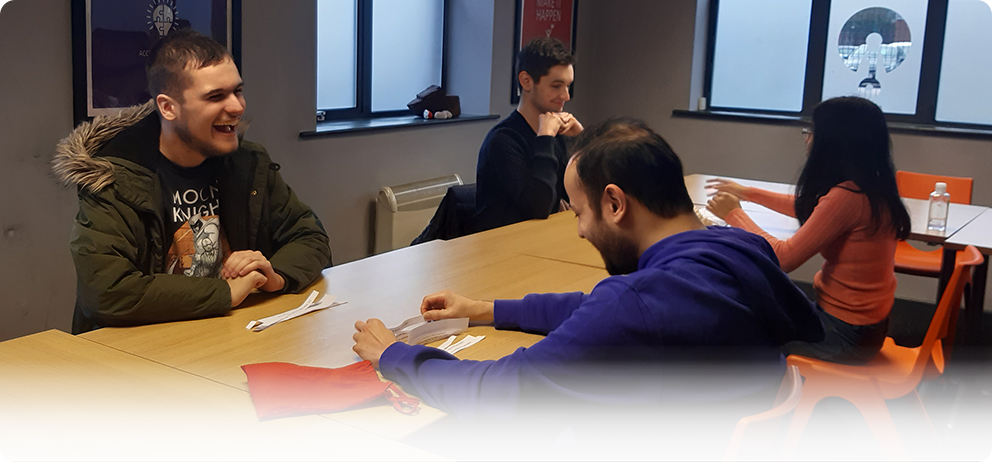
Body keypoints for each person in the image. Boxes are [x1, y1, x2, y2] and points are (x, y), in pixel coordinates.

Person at [353, 118, 824, 461]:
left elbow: (493, 390)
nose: (579, 231)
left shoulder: (638, 310)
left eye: (579, 212)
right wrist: (486, 309)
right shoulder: (735, 252)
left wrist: (394, 354)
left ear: (615, 203)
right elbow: (595, 310)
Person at [54, 29, 332, 334]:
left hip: (226, 334)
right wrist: (225, 293)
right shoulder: (114, 177)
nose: (238, 107)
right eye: (216, 96)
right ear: (168, 107)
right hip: (138, 349)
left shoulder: (248, 163)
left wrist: (274, 275)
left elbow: (311, 238)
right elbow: (105, 293)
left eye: (237, 91)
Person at [706, 96, 910, 366]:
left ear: (834, 141)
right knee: (764, 306)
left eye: (812, 132)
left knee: (746, 330)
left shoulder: (847, 197)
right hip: (867, 328)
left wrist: (734, 214)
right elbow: (814, 210)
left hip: (845, 334)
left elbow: (783, 258)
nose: (807, 139)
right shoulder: (873, 188)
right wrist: (748, 193)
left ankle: (774, 404)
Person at [470, 37, 584, 234]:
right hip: (501, 246)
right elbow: (539, 207)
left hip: (540, 240)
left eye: (568, 85)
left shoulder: (557, 133)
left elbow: (583, 196)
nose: (566, 96)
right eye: (556, 86)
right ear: (526, 81)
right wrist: (545, 138)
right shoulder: (503, 140)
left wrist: (583, 141)